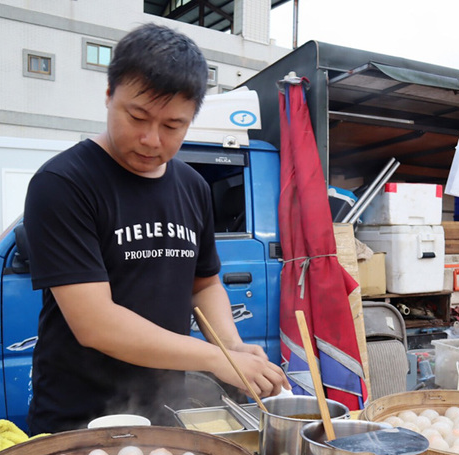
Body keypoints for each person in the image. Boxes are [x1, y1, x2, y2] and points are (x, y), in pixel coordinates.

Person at [23, 23, 288, 434]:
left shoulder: (193, 187)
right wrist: (215, 359)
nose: (151, 139)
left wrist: (232, 346)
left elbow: (204, 285)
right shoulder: (63, 182)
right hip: (79, 421)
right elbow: (95, 322)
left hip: (165, 413)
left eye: (172, 126)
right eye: (137, 117)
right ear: (109, 95)